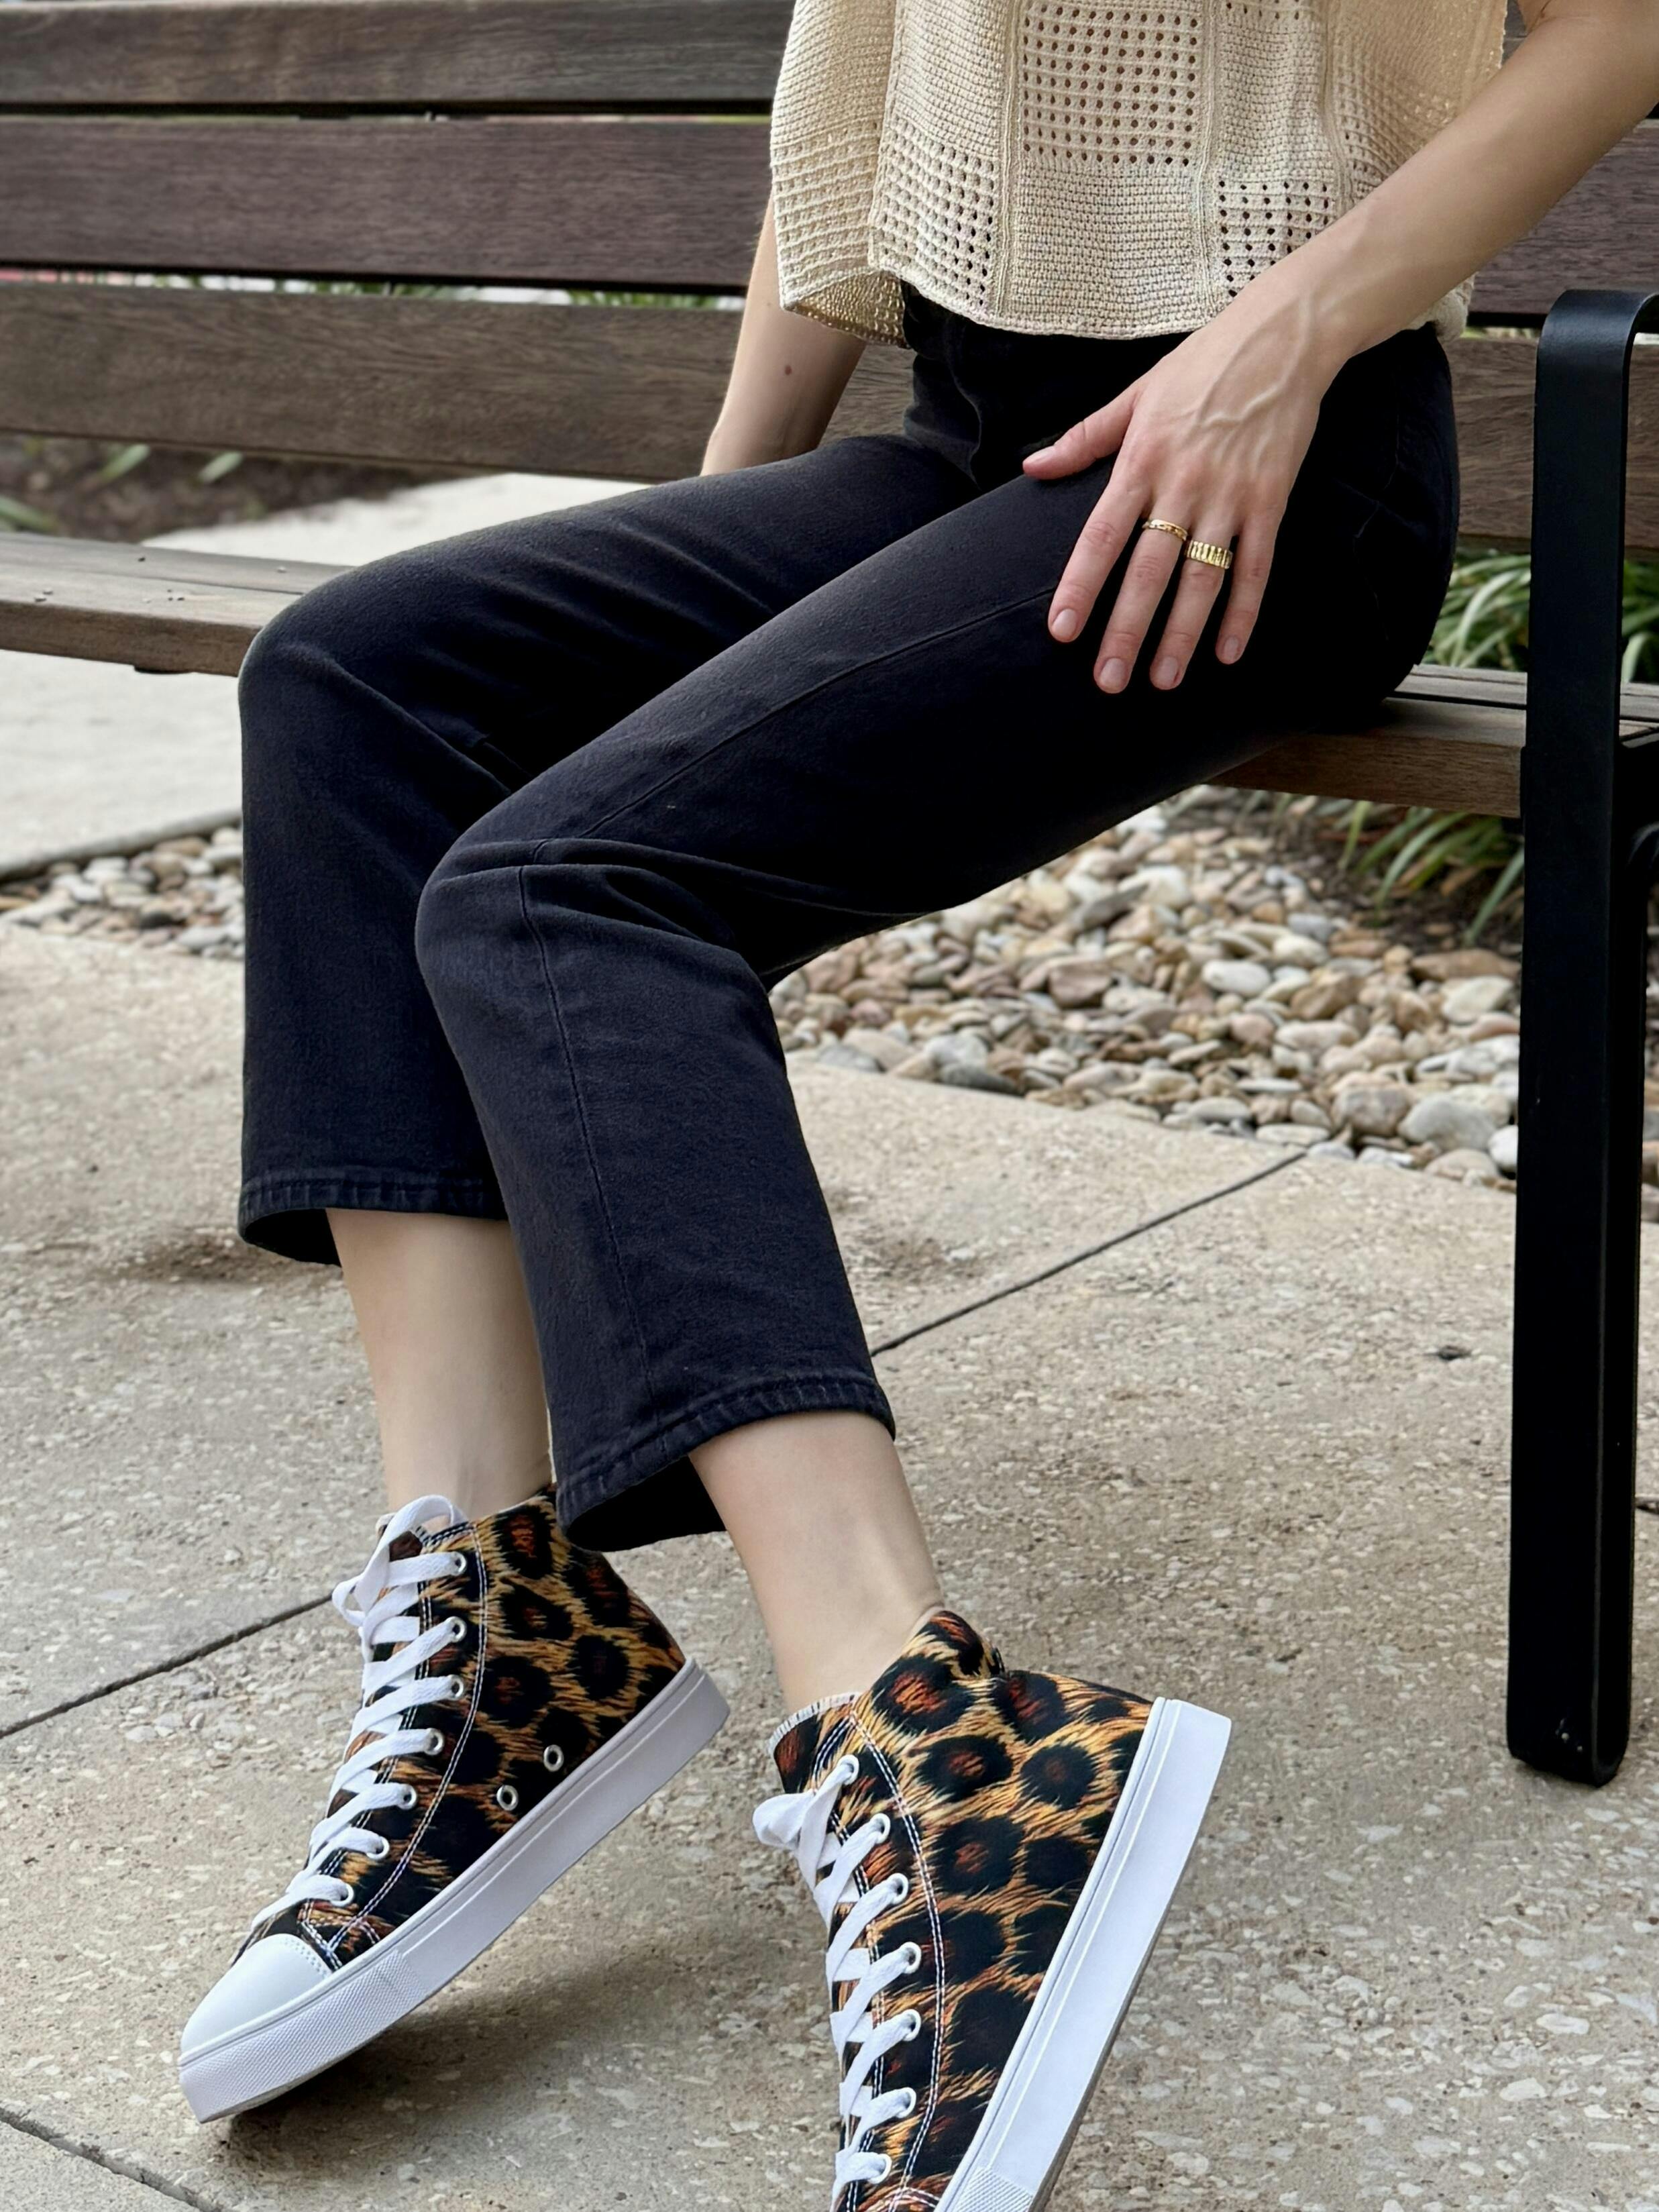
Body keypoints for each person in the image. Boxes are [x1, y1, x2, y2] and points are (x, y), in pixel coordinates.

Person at [179, 1, 1659, 2200]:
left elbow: (1614, 30)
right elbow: (862, 115)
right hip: (965, 449)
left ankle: (930, 1730)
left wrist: (1276, 342)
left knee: (565, 892)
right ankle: (507, 1618)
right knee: (360, 681)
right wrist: (707, 538)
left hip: (1263, 461)